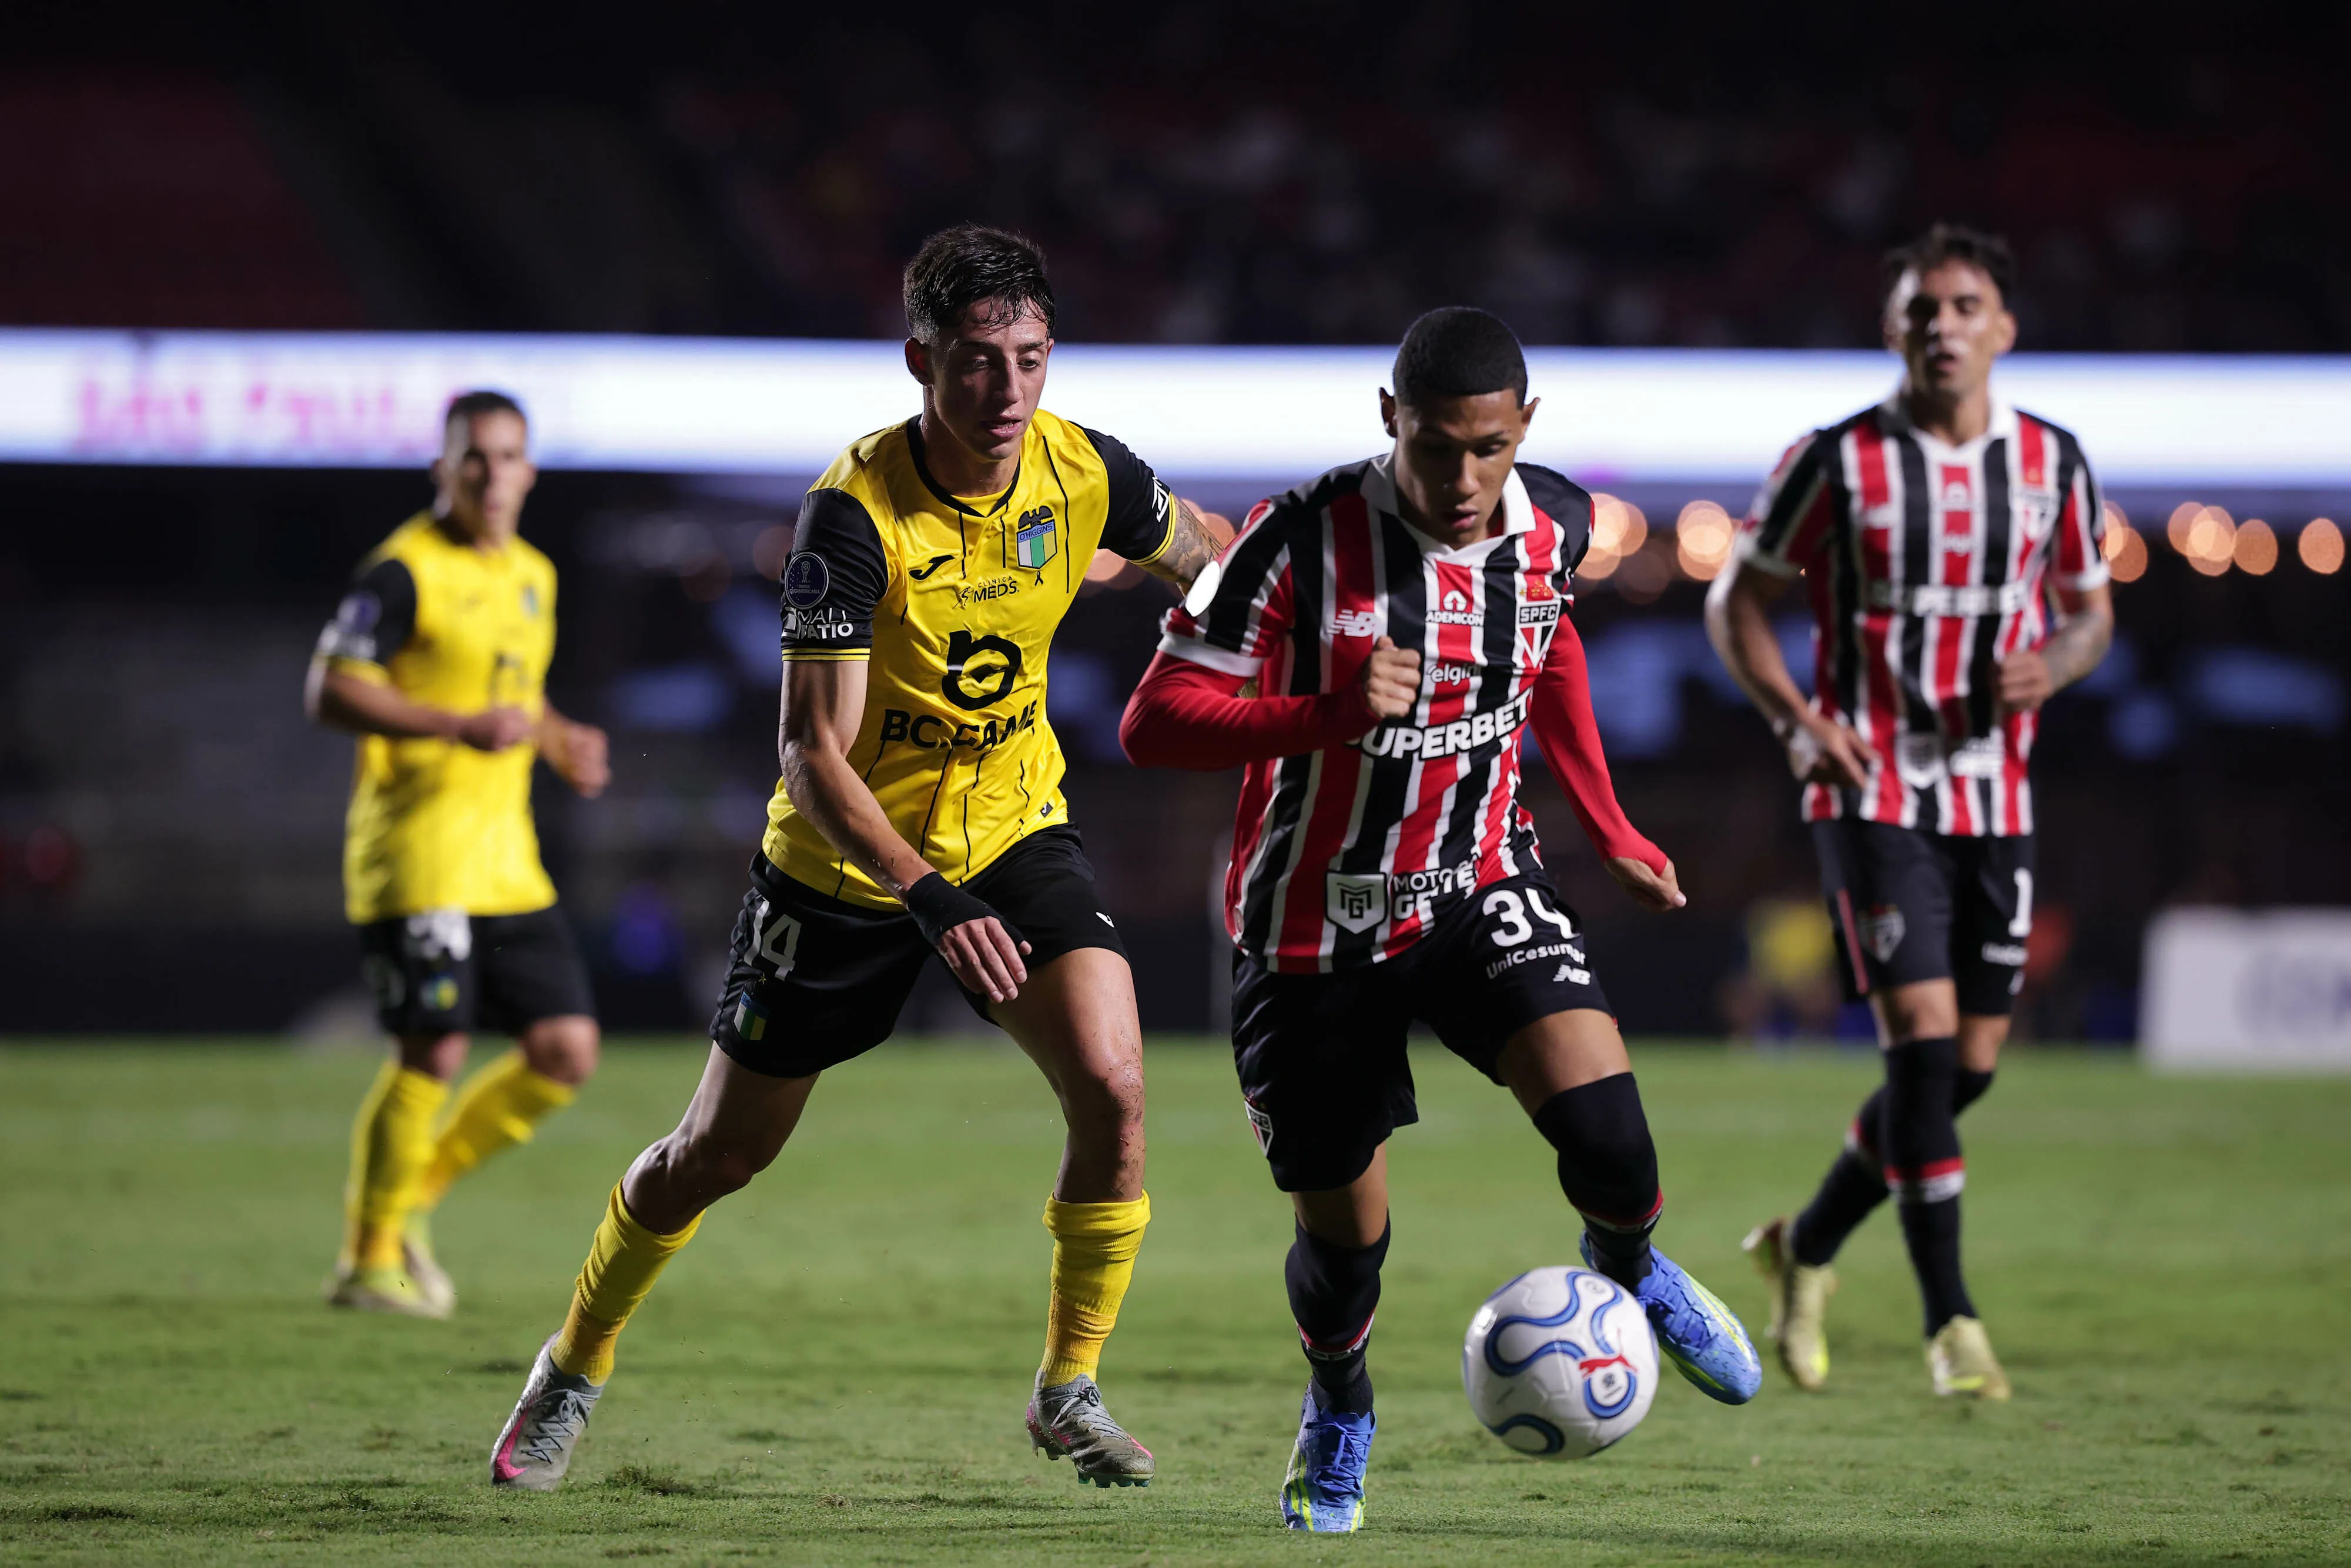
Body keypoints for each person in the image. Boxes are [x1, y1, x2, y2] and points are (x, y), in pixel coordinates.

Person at [488, 225, 1227, 1492]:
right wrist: (926, 897)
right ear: (919, 360)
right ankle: (570, 1367)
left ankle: (1069, 1388)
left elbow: (1206, 551)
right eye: (976, 364)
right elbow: (809, 756)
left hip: (1010, 829)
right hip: (846, 866)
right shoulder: (852, 513)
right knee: (713, 1156)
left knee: (1113, 1085)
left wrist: (1222, 601)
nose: (1005, 393)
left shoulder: (1083, 469)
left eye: (1030, 360)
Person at [1120, 307, 1760, 1535]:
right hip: (1309, 934)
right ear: (1386, 420)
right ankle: (1339, 1405)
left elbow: (1547, 643)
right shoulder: (1290, 538)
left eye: (1486, 448)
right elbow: (1151, 720)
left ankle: (1627, 1266)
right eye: (1433, 447)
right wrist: (1322, 713)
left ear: (1522, 430)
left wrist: (1609, 822)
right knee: (1346, 1239)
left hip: (1474, 885)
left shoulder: (1556, 520)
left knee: (1617, 1151)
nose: (1461, 479)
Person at [1707, 223, 2114, 1401]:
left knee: (1965, 1066)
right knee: (1925, 1050)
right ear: (1892, 329)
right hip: (1868, 782)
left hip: (1995, 792)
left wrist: (2056, 660)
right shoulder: (1834, 460)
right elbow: (1736, 601)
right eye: (1920, 307)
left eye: (1963, 304)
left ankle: (1807, 1245)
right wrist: (1792, 718)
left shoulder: (2050, 461)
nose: (1941, 324)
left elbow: (2087, 611)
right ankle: (1952, 1324)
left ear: (2002, 329)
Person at [306, 390, 609, 1319]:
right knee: (431, 1051)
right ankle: (366, 1259)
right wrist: (453, 724)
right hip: (419, 855)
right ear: (442, 469)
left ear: (530, 470)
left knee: (565, 1051)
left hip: (506, 860)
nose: (490, 474)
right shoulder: (402, 573)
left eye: (508, 456)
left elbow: (515, 693)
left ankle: (409, 1204)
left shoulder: (533, 574)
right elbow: (329, 689)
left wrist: (560, 738)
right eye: (473, 457)